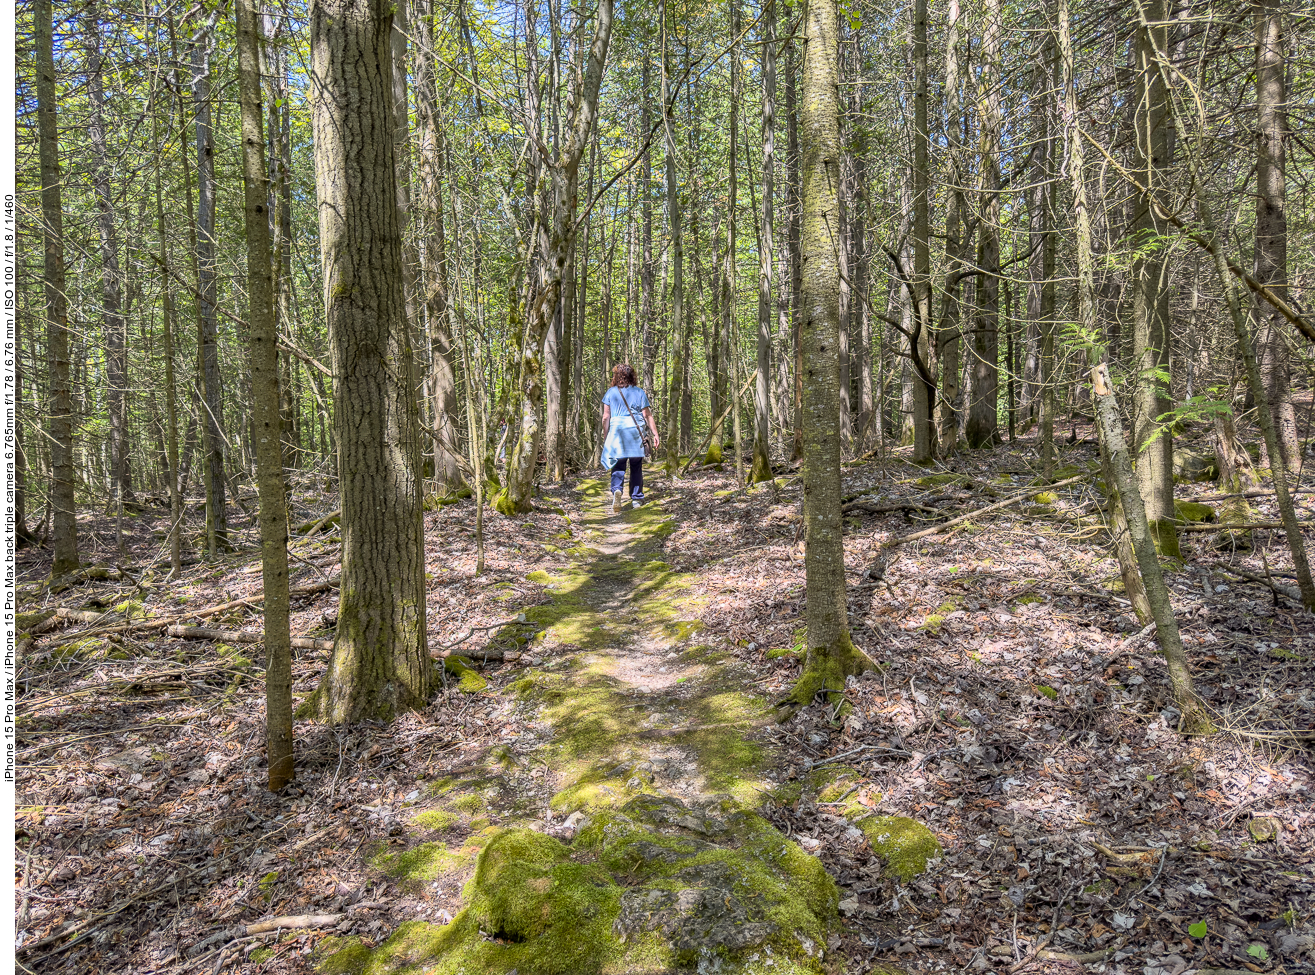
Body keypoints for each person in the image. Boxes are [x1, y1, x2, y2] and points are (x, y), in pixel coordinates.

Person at [600, 362, 660, 512]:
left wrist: (606, 435)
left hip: (617, 434)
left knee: (618, 465)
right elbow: (647, 415)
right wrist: (655, 434)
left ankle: (617, 490)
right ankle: (636, 498)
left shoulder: (610, 392)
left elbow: (606, 417)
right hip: (635, 433)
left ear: (616, 376)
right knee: (636, 466)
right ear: (632, 376)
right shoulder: (639, 392)